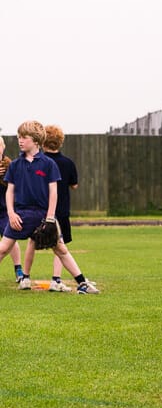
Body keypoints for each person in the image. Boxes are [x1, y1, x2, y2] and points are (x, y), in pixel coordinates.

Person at [0, 120, 100, 294]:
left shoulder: (48, 164)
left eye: (24, 137)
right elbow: (10, 191)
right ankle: (25, 276)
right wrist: (11, 213)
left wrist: (50, 218)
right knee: (2, 249)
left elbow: (54, 193)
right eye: (19, 137)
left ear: (36, 140)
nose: (20, 140)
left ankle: (82, 283)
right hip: (20, 215)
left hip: (42, 215)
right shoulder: (15, 165)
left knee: (61, 249)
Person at [23, 124, 80, 292]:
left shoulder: (37, 161)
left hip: (40, 210)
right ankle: (56, 279)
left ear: (42, 141)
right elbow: (74, 185)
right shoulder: (68, 163)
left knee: (32, 241)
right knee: (60, 244)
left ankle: (25, 277)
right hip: (61, 210)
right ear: (60, 141)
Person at [0, 137, 25, 283]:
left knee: (10, 238)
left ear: (3, 147)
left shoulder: (10, 165)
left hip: (5, 210)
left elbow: (15, 186)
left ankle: (18, 269)